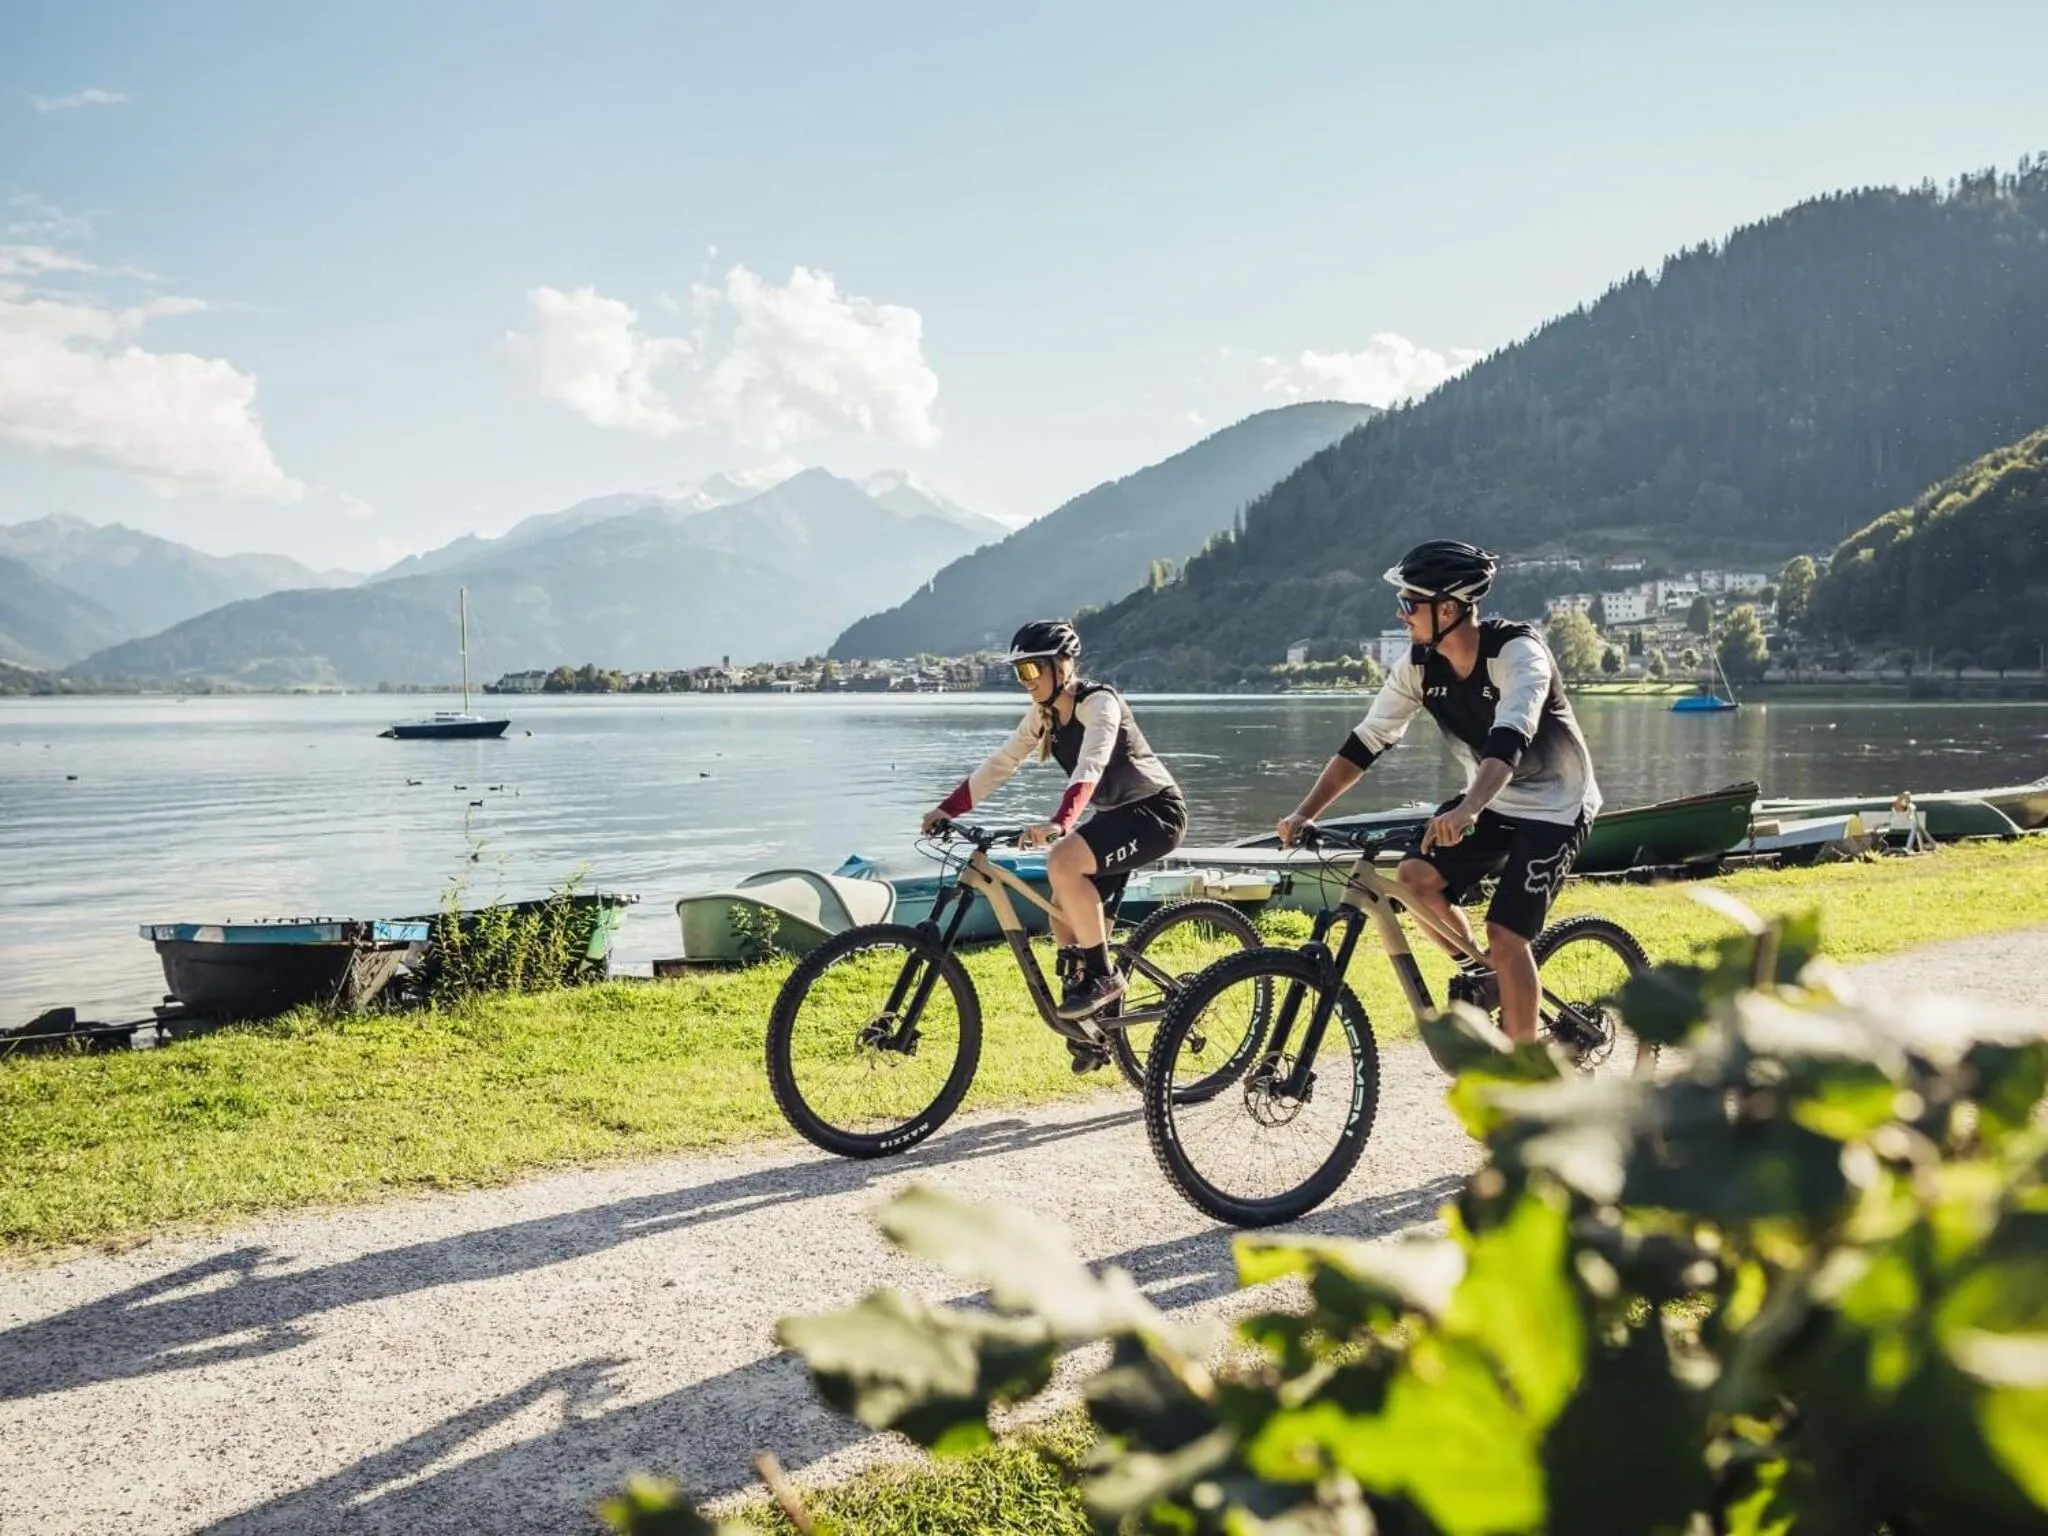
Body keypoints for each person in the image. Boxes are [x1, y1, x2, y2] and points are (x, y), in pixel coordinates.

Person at [1274, 541, 1601, 1043]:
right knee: (1415, 877)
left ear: (1447, 608)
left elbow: (1511, 737)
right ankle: (1485, 975)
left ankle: (1522, 1081)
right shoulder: (1420, 666)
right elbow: (1366, 742)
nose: (1400, 613)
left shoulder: (1518, 653)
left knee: (1509, 936)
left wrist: (1469, 807)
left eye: (1410, 603)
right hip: (1490, 801)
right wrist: (1304, 812)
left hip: (1557, 808)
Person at [921, 619, 1188, 1070]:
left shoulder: (1099, 704)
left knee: (1062, 862)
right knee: (1060, 913)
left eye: (1031, 671)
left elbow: (1092, 765)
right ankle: (1090, 1030)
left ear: (1062, 666)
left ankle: (1103, 978)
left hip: (1155, 814)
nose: (1026, 683)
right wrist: (948, 809)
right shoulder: (1044, 716)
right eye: (1018, 673)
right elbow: (1002, 763)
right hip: (1116, 818)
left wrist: (1061, 823)